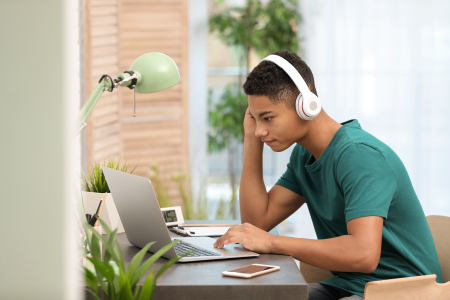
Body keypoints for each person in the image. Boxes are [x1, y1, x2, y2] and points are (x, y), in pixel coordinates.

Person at [213, 50, 443, 299]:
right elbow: (257, 223)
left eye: (268, 118)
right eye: (256, 119)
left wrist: (271, 242)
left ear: (306, 106)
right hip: (350, 286)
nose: (260, 130)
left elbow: (363, 254)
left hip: (403, 292)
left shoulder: (359, 156)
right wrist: (251, 139)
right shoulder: (303, 156)